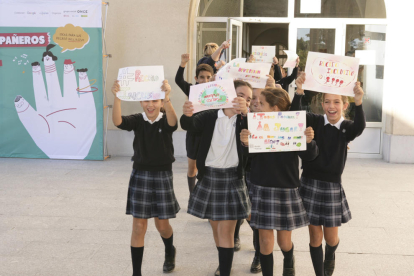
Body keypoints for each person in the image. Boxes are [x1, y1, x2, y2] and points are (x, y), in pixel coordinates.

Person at [240, 87, 319, 276]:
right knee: (265, 241)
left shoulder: (294, 126)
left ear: (275, 109)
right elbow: (245, 157)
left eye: (261, 103)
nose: (256, 105)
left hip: (286, 188)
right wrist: (244, 143)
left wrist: (309, 141)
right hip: (261, 186)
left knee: (284, 242)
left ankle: (289, 258)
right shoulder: (255, 125)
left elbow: (309, 156)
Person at [294, 73, 366, 276]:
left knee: (331, 238)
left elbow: (360, 127)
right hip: (309, 184)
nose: (331, 106)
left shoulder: (346, 128)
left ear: (345, 105)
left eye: (336, 102)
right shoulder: (315, 121)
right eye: (327, 101)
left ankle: (331, 255)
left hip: (332, 187)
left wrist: (359, 102)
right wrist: (299, 90)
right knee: (315, 236)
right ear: (321, 103)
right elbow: (294, 115)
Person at [180, 80, 252, 276]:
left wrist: (246, 133)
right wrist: (186, 113)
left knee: (226, 231)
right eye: (240, 94)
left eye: (248, 98)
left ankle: (225, 270)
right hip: (209, 177)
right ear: (228, 94)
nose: (243, 100)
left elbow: (253, 149)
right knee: (216, 228)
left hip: (233, 179)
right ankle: (223, 261)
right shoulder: (209, 116)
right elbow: (189, 124)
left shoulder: (247, 121)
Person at [111, 79, 180, 275]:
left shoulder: (165, 118)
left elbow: (174, 123)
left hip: (163, 175)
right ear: (141, 102)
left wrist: (167, 98)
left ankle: (169, 250)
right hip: (140, 174)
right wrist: (117, 97)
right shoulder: (138, 120)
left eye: (155, 101)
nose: (150, 105)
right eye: (146, 101)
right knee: (139, 227)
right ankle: (136, 272)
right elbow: (118, 122)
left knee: (162, 225)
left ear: (160, 102)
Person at [175, 54, 214, 193]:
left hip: (209, 135)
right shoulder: (192, 90)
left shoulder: (217, 93)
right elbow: (178, 80)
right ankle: (192, 195)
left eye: (209, 77)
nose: (205, 80)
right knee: (192, 168)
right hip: (193, 135)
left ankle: (204, 195)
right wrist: (183, 64)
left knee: (207, 168)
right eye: (202, 77)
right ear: (196, 78)